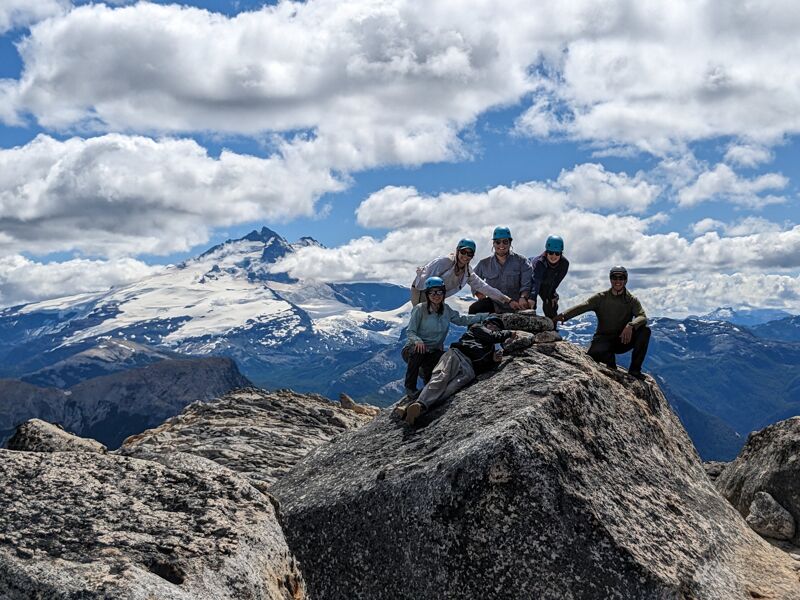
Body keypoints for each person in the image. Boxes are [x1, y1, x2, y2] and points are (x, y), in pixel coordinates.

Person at [400, 315, 516, 425]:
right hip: (457, 354)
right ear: (486, 324)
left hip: (469, 369)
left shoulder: (490, 349)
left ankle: (413, 408)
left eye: (497, 327)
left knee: (449, 389)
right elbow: (493, 336)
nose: (494, 328)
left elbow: (483, 368)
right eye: (492, 325)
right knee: (441, 377)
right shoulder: (477, 328)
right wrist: (510, 333)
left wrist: (493, 361)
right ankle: (419, 405)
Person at [554, 266, 650, 379]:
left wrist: (631, 325)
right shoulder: (601, 298)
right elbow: (583, 307)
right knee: (600, 358)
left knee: (645, 331)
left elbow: (642, 316)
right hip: (602, 340)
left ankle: (635, 370)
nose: (618, 281)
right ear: (610, 279)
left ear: (626, 280)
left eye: (621, 277)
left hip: (622, 340)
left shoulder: (631, 300)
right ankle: (609, 362)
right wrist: (564, 316)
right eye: (615, 277)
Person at [403, 276, 489, 399]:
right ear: (427, 294)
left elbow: (461, 320)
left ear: (443, 293)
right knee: (419, 351)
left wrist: (483, 316)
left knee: (444, 361)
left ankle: (426, 394)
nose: (436, 295)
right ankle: (410, 388)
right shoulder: (420, 309)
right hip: (413, 349)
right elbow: (410, 331)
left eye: (439, 292)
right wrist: (418, 341)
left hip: (432, 352)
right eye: (432, 292)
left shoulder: (446, 310)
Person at [411, 239, 513, 307]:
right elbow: (424, 280)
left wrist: (506, 299)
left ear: (472, 256)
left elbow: (484, 287)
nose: (466, 256)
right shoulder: (444, 262)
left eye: (469, 254)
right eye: (463, 252)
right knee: (422, 319)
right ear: (457, 251)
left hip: (437, 295)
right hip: (422, 290)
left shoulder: (467, 272)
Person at [469, 226, 533, 314]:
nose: (501, 245)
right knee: (474, 308)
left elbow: (527, 284)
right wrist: (481, 297)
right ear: (493, 244)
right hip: (494, 306)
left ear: (510, 243)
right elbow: (472, 280)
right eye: (498, 242)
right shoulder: (484, 264)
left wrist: (523, 297)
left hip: (517, 305)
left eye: (505, 242)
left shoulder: (522, 262)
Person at [530, 235, 570, 320]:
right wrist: (532, 298)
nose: (554, 256)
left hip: (546, 282)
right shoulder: (539, 263)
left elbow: (556, 282)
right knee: (530, 303)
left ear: (561, 253)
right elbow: (535, 282)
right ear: (546, 251)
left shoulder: (564, 264)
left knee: (551, 303)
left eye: (557, 253)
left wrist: (551, 294)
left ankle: (553, 327)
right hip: (532, 279)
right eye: (551, 252)